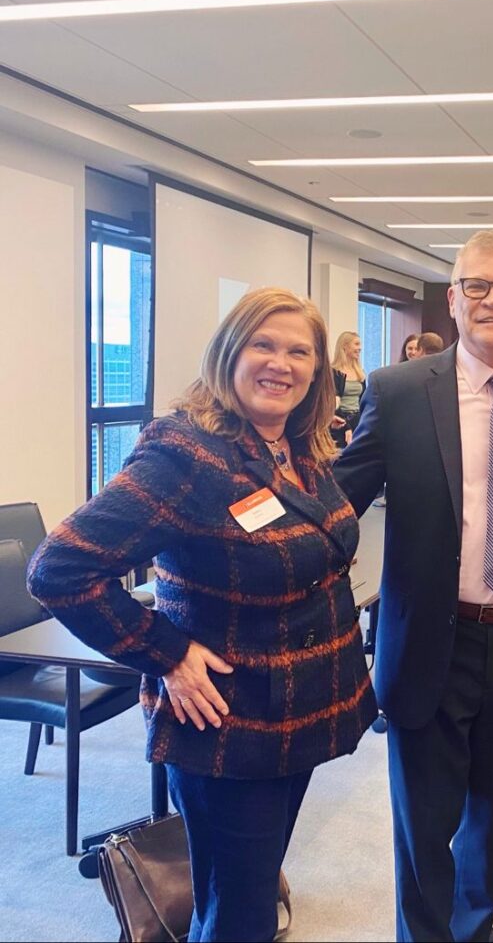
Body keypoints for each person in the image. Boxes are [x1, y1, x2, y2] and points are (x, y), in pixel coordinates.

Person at [28, 288, 377, 942]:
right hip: (229, 720)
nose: (282, 363)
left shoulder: (298, 443)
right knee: (237, 913)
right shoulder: (184, 454)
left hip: (296, 709)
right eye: (263, 345)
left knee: (250, 887)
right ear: (228, 353)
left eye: (299, 351)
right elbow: (60, 569)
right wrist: (167, 652)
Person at [335, 229, 493, 942]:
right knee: (424, 820)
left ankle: (477, 931)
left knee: (491, 810)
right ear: (453, 298)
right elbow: (334, 505)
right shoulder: (400, 391)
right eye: (478, 285)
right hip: (427, 643)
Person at [331, 330, 366, 443]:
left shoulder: (360, 372)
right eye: (356, 344)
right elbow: (333, 403)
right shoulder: (334, 372)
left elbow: (364, 399)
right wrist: (346, 427)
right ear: (345, 347)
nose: (360, 348)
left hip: (358, 420)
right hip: (340, 421)